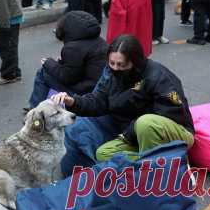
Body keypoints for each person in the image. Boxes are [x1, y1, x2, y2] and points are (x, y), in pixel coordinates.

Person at [52, 34, 195, 162]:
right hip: (135, 136)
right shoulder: (111, 74)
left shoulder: (157, 76)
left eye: (121, 65)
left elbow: (172, 113)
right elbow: (98, 101)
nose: (115, 68)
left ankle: (162, 170)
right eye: (112, 63)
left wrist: (130, 132)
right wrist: (72, 101)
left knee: (145, 123)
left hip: (175, 133)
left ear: (135, 62)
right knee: (104, 154)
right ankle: (152, 163)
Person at [27, 11, 108, 111]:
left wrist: (49, 63)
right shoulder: (98, 40)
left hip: (86, 92)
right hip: (98, 86)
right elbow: (79, 68)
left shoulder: (73, 47)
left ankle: (35, 109)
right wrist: (61, 63)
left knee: (43, 72)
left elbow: (68, 77)